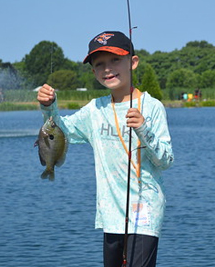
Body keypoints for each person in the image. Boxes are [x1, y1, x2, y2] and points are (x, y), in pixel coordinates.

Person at [37, 31, 174, 267]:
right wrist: (49, 106)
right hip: (110, 214)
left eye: (115, 60)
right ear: (93, 71)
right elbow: (61, 130)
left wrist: (143, 128)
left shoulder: (152, 107)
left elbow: (166, 160)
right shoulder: (95, 110)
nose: (107, 69)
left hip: (145, 210)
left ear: (133, 62)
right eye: (99, 64)